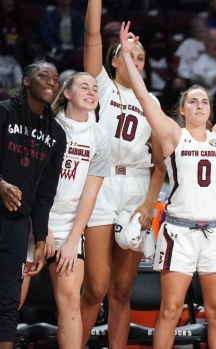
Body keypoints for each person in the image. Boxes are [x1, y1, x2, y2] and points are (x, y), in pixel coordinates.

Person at [119, 21, 216, 349]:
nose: (199, 106)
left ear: (211, 111)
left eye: (204, 102)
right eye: (192, 101)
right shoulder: (174, 135)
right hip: (179, 233)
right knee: (171, 310)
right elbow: (144, 97)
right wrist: (129, 57)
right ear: (182, 109)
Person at [80, 1, 167, 347]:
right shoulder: (99, 85)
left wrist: (149, 204)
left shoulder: (153, 103)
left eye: (141, 57)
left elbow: (161, 163)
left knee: (122, 288)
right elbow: (90, 36)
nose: (135, 61)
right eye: (129, 54)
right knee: (96, 287)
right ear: (114, 61)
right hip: (101, 182)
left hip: (137, 187)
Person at [0, 61, 66, 349]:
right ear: (26, 81)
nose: (51, 81)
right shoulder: (4, 112)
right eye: (43, 75)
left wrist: (39, 238)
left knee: (8, 300)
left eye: (55, 77)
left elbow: (45, 193)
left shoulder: (56, 134)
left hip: (17, 225)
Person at [43, 71, 110, 349]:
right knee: (12, 300)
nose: (92, 91)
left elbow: (89, 196)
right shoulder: (46, 126)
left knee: (71, 299)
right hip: (35, 220)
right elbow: (31, 181)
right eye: (84, 86)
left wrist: (72, 239)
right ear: (67, 93)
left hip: (68, 227)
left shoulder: (99, 137)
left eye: (95, 87)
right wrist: (40, 227)